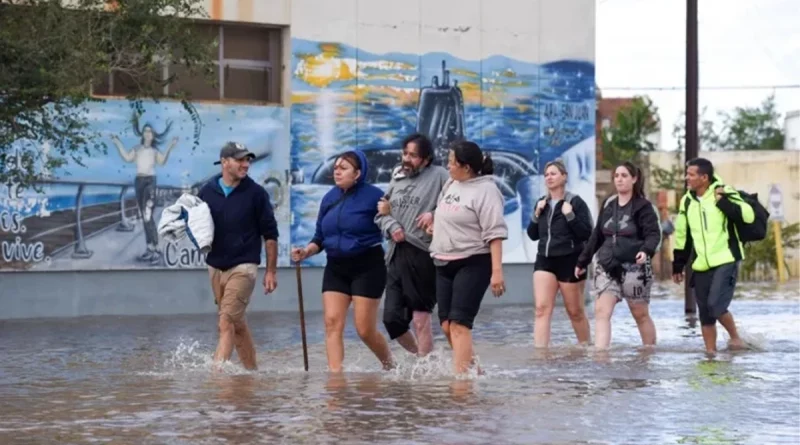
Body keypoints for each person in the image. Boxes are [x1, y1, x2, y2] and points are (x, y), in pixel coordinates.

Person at [291, 150, 393, 372]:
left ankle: (389, 365)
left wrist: (388, 213)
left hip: (367, 266)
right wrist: (306, 251)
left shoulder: (375, 196)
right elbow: (320, 237)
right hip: (336, 266)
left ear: (358, 173)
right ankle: (336, 377)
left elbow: (391, 226)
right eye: (336, 167)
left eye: (343, 168)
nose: (336, 171)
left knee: (364, 330)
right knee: (331, 323)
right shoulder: (329, 198)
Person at [428, 140, 508, 374]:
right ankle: (475, 371)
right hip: (443, 261)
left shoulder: (487, 190)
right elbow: (446, 213)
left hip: (473, 261)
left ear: (467, 167)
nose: (448, 166)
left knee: (460, 324)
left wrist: (497, 272)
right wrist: (435, 224)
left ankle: (461, 385)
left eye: (453, 162)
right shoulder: (451, 184)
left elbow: (494, 234)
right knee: (445, 325)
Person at [198, 142, 279, 370]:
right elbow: (196, 224)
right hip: (215, 266)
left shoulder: (256, 194)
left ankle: (217, 377)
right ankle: (252, 374)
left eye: (248, 160)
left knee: (225, 322)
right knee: (237, 323)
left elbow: (270, 235)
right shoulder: (206, 191)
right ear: (225, 162)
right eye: (240, 160)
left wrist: (271, 271)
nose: (246, 164)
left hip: (244, 266)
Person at [375, 133, 449, 357]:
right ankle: (423, 358)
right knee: (392, 320)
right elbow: (380, 213)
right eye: (405, 153)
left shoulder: (439, 175)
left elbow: (458, 203)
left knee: (420, 317)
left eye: (413, 156)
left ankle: (425, 371)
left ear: (426, 159)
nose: (406, 159)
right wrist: (391, 225)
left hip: (423, 253)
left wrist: (435, 214)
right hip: (396, 254)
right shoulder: (396, 177)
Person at [575, 162, 661, 350]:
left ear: (634, 179)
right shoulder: (608, 204)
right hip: (606, 265)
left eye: (624, 175)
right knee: (601, 311)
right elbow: (597, 235)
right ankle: (601, 355)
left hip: (635, 268)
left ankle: (648, 353)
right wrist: (583, 261)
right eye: (617, 176)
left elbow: (653, 234)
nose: (619, 179)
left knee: (639, 313)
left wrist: (646, 251)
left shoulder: (643, 207)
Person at [672, 157, 752, 354]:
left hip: (726, 258)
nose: (686, 178)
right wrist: (678, 264)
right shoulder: (687, 201)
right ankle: (710, 355)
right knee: (705, 314)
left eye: (691, 174)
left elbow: (748, 216)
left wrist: (723, 202)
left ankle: (735, 339)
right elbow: (683, 235)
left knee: (716, 305)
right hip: (701, 265)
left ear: (704, 177)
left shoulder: (724, 191)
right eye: (687, 174)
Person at [527, 160, 594, 348]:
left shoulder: (575, 202)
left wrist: (570, 215)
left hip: (570, 260)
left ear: (564, 177)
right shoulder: (541, 203)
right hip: (544, 260)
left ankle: (586, 348)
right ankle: (541, 355)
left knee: (575, 311)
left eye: (553, 173)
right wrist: (536, 213)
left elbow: (587, 233)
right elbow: (532, 235)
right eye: (546, 174)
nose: (549, 177)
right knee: (541, 309)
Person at [111, 116, 179, 265]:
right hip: (139, 182)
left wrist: (170, 147)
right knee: (144, 217)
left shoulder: (154, 151)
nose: (148, 133)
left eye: (150, 131)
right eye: (145, 131)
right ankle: (151, 248)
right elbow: (127, 158)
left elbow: (162, 162)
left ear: (153, 135)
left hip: (150, 182)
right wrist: (117, 143)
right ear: (142, 134)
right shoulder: (137, 148)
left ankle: (155, 249)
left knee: (147, 216)